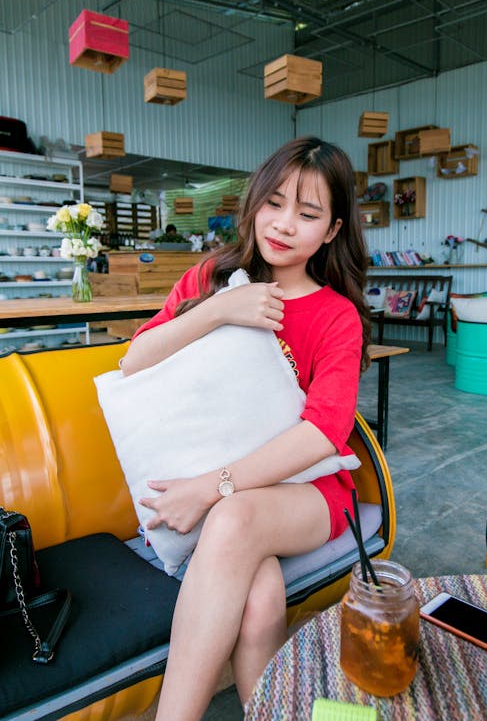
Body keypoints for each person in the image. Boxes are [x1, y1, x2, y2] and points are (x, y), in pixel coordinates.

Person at [121, 136, 371, 721]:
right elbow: (133, 364)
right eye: (274, 203)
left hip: (307, 492)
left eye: (308, 214)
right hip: (224, 479)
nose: (284, 225)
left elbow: (321, 436)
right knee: (260, 601)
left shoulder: (337, 315)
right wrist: (219, 309)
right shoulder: (211, 277)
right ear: (255, 202)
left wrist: (210, 487)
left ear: (332, 230)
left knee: (232, 516)